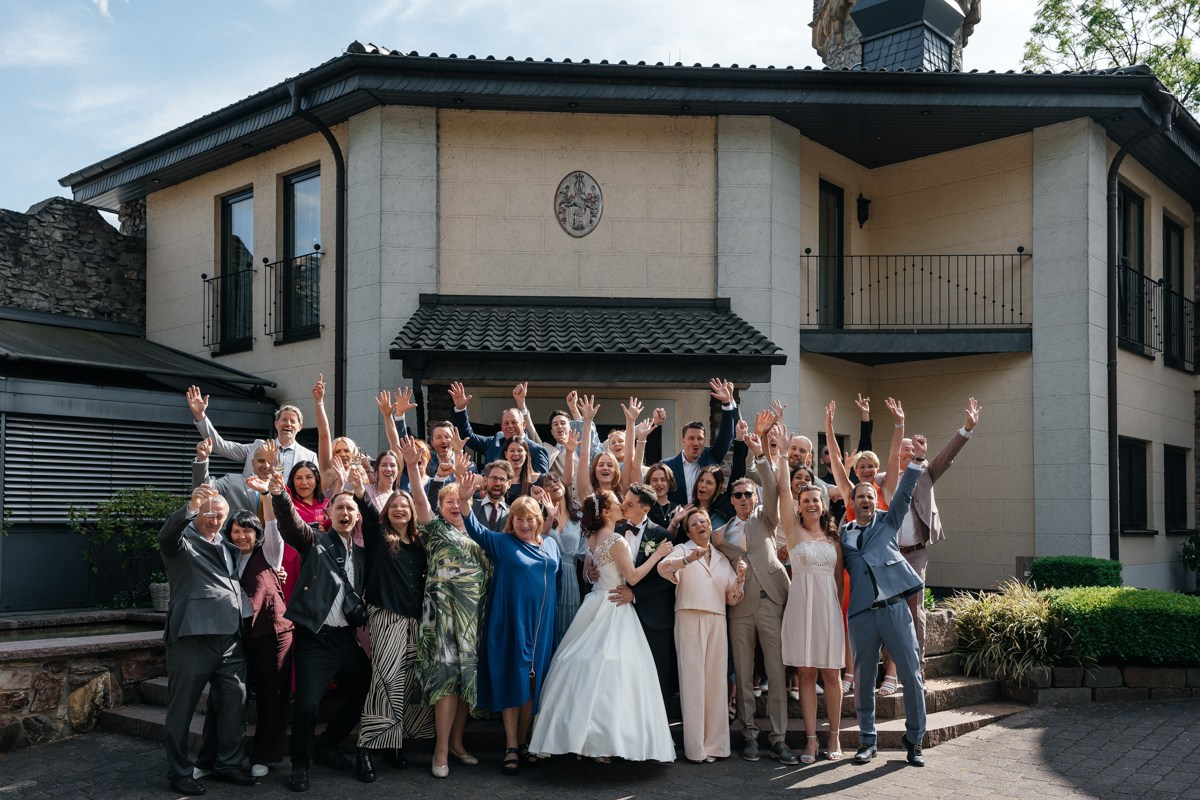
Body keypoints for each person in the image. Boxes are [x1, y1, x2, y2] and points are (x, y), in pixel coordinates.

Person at [529, 490, 676, 763]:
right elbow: (631, 577)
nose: (622, 504)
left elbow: (591, 569)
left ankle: (584, 739)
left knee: (583, 664)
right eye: (616, 502)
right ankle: (602, 742)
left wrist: (591, 572)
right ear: (606, 512)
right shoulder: (617, 539)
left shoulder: (593, 538)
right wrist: (658, 557)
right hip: (614, 605)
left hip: (596, 600)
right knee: (614, 672)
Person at [272, 478, 374, 791]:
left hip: (346, 639)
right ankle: (300, 765)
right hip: (315, 640)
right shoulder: (314, 540)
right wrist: (278, 494)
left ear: (357, 517)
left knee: (364, 689)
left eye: (351, 508)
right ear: (329, 511)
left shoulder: (361, 554)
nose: (345, 511)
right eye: (339, 506)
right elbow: (290, 525)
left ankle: (327, 746)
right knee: (306, 706)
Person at [456, 473, 560, 776]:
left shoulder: (551, 545)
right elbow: (474, 528)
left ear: (538, 521)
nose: (524, 524)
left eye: (529, 519)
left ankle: (525, 742)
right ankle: (511, 745)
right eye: (519, 520)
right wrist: (464, 499)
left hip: (541, 626)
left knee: (532, 683)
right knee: (514, 681)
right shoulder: (502, 543)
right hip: (511, 623)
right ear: (511, 522)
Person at [873, 397, 981, 685]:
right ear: (897, 455)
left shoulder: (925, 474)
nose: (908, 454)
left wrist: (967, 429)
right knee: (886, 608)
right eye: (904, 451)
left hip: (916, 553)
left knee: (913, 609)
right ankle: (889, 671)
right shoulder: (883, 481)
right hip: (889, 554)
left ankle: (916, 667)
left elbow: (946, 455)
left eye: (913, 451)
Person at [400, 438, 490, 780]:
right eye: (448, 501)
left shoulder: (478, 534)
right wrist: (412, 466)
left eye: (459, 500)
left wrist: (469, 488)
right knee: (446, 682)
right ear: (440, 507)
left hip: (473, 618)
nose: (454, 505)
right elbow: (419, 503)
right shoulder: (435, 530)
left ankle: (457, 743)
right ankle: (440, 750)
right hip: (442, 619)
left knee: (467, 682)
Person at [157, 485, 254, 795]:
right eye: (209, 513)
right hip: (191, 637)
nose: (214, 520)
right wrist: (190, 506)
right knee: (181, 708)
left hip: (230, 638)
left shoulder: (229, 547)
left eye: (220, 515)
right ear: (198, 513)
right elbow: (166, 537)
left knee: (235, 704)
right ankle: (179, 772)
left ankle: (228, 764)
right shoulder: (183, 543)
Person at [841, 433, 929, 768]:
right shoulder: (844, 533)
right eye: (859, 496)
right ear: (853, 502)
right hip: (862, 614)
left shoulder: (887, 521)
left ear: (874, 499)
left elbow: (905, 493)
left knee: (910, 673)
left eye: (869, 495)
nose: (865, 499)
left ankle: (915, 740)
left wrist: (918, 461)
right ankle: (867, 741)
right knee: (863, 680)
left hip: (893, 609)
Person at [712, 432, 797, 766]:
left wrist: (761, 452)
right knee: (744, 672)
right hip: (740, 608)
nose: (744, 498)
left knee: (777, 672)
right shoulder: (720, 536)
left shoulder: (766, 519)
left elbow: (775, 490)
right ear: (731, 501)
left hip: (772, 600)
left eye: (748, 493)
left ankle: (778, 738)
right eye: (738, 495)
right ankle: (748, 734)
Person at [194, 510, 293, 781]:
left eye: (247, 530)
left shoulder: (271, 552)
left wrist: (268, 492)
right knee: (224, 696)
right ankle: (209, 758)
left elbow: (273, 523)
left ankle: (264, 755)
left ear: (257, 533)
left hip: (273, 633)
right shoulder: (224, 556)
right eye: (236, 531)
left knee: (270, 696)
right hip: (235, 634)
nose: (241, 536)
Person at [350, 474, 435, 771]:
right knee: (384, 681)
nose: (400, 509)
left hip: (414, 619)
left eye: (405, 506)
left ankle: (394, 744)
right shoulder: (379, 534)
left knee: (406, 682)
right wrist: (361, 490)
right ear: (387, 511)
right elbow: (369, 515)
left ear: (412, 511)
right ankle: (364, 750)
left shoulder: (420, 542)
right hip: (386, 615)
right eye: (394, 505)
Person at [774, 426, 847, 764]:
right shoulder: (792, 533)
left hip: (828, 611)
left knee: (831, 673)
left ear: (823, 504)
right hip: (801, 607)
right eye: (805, 501)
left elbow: (838, 582)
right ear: (800, 507)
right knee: (805, 674)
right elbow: (782, 491)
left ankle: (833, 736)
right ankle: (811, 740)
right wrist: (783, 453)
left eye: (815, 500)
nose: (811, 504)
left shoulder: (834, 541)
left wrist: (837, 613)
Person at [658, 507, 746, 763]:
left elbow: (731, 598)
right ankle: (696, 749)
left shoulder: (720, 558)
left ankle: (717, 746)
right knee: (693, 682)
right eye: (694, 523)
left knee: (716, 683)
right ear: (688, 531)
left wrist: (740, 579)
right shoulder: (681, 551)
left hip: (717, 619)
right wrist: (688, 559)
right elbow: (663, 570)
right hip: (689, 616)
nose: (700, 526)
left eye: (704, 522)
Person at [608, 483, 681, 713]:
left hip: (653, 617)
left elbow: (665, 579)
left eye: (629, 504)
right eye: (624, 500)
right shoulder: (615, 532)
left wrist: (635, 594)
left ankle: (659, 730)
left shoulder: (662, 535)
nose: (623, 506)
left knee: (657, 673)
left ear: (645, 509)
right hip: (619, 614)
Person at [187, 384, 317, 480]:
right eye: (284, 420)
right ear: (276, 424)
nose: (288, 424)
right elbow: (220, 446)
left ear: (299, 427)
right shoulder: (257, 447)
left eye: (292, 421)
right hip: (256, 509)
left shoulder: (309, 456)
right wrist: (200, 416)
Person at [663, 378, 739, 506]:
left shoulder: (711, 457)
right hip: (678, 521)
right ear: (683, 440)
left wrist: (726, 403)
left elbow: (726, 435)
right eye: (691, 438)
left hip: (706, 519)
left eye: (700, 439)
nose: (696, 443)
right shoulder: (667, 466)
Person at [449, 381, 551, 472]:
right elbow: (467, 436)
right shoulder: (494, 442)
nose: (510, 426)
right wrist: (460, 409)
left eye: (514, 422)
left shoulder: (536, 450)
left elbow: (541, 484)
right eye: (506, 423)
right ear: (502, 427)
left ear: (523, 424)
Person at [537, 472, 586, 647]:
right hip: (547, 575)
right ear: (543, 491)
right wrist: (550, 517)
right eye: (547, 483)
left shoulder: (579, 516)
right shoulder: (539, 516)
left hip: (571, 577)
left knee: (569, 627)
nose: (552, 484)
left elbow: (585, 554)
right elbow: (538, 542)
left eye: (555, 480)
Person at [472, 461, 513, 530]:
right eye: (494, 478)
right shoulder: (471, 506)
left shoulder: (513, 513)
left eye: (502, 479)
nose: (497, 483)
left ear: (509, 484)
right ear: (485, 480)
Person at [644, 462, 681, 530]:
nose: (659, 483)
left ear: (669, 482)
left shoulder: (678, 509)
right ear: (649, 483)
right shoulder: (644, 509)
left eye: (663, 480)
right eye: (654, 480)